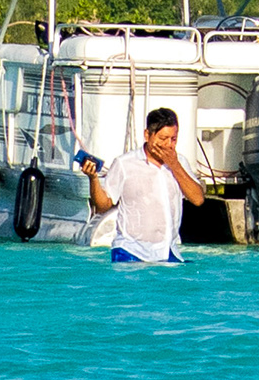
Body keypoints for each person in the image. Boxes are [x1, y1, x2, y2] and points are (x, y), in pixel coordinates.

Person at [85, 109, 204, 267]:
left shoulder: (180, 162)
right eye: (163, 138)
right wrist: (93, 178)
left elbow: (198, 199)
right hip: (130, 251)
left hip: (168, 251)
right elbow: (103, 206)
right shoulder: (124, 164)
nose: (168, 145)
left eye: (173, 139)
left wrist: (174, 165)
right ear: (147, 135)